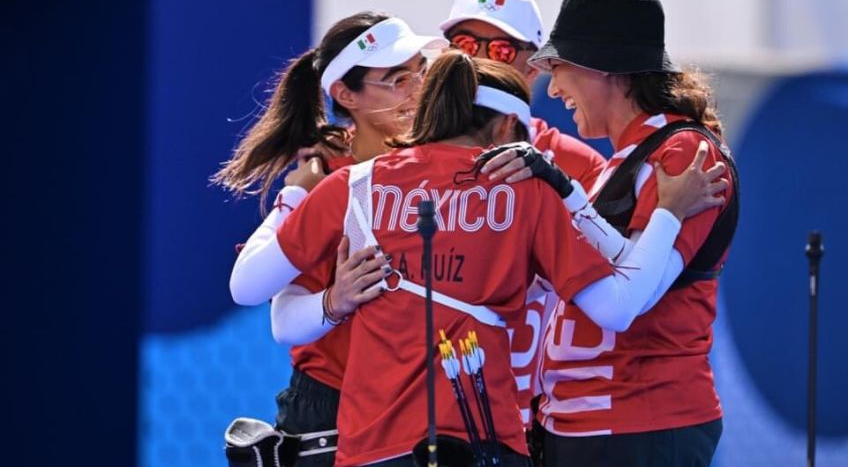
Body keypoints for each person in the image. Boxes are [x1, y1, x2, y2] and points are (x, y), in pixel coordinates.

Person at [229, 49, 726, 466]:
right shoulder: (526, 191)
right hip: (484, 439)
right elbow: (618, 307)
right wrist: (668, 212)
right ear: (509, 125)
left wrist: (295, 200)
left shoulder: (353, 185)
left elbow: (248, 288)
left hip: (370, 447)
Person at [480, 0, 738, 465]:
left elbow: (636, 294)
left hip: (641, 421)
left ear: (603, 67)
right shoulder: (619, 159)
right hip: (586, 423)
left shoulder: (681, 153)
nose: (552, 90)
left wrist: (563, 192)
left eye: (558, 67)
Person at [216, 12, 446, 466]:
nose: (418, 90)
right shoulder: (329, 183)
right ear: (345, 95)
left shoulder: (443, 172)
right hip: (331, 410)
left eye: (422, 71)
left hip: (419, 407)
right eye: (398, 79)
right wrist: (333, 299)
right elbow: (267, 306)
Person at [439, 0, 607, 427]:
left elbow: (607, 293)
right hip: (422, 413)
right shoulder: (403, 155)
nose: (475, 61)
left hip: (526, 412)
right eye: (463, 44)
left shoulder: (578, 165)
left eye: (499, 49)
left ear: (533, 67)